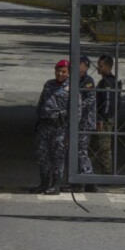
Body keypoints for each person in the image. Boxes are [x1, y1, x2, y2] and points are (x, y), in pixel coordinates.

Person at [30, 60, 72, 195]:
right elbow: (42, 101)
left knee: (57, 156)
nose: (60, 74)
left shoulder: (71, 87)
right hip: (44, 125)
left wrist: (59, 115)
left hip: (60, 127)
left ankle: (55, 185)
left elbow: (75, 110)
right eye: (58, 71)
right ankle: (44, 183)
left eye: (63, 71)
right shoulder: (49, 84)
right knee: (42, 154)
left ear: (68, 72)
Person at [70, 55, 97, 192]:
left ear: (85, 66)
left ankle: (84, 180)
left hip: (85, 121)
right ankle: (88, 180)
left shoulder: (88, 81)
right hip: (76, 121)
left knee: (81, 150)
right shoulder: (73, 79)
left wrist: (76, 106)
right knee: (78, 150)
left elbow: (90, 99)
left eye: (80, 64)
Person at [91, 54, 119, 176]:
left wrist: (101, 119)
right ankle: (86, 170)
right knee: (96, 146)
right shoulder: (104, 81)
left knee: (104, 147)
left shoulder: (108, 83)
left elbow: (107, 103)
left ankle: (106, 174)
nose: (98, 68)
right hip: (102, 118)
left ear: (108, 67)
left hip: (105, 120)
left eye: (100, 66)